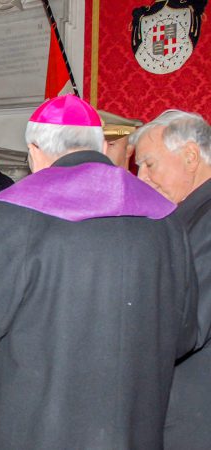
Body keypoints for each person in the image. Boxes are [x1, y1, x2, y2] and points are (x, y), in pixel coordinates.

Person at [0, 95, 198, 448]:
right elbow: (183, 335)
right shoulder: (165, 214)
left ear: (35, 149)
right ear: (99, 143)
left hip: (37, 427)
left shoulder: (12, 212)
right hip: (134, 424)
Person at [131, 110, 211, 450]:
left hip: (194, 411)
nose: (142, 177)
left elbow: (185, 326)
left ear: (191, 156)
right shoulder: (186, 217)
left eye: (149, 165)